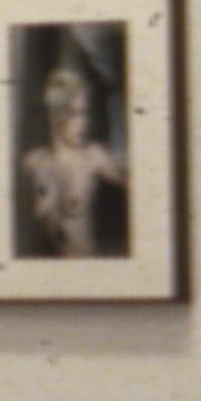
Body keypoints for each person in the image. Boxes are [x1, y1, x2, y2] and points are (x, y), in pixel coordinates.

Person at [19, 46, 128, 260]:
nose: (82, 123)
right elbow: (45, 209)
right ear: (55, 117)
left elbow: (129, 180)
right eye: (74, 114)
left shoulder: (93, 156)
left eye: (84, 113)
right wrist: (49, 208)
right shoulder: (39, 163)